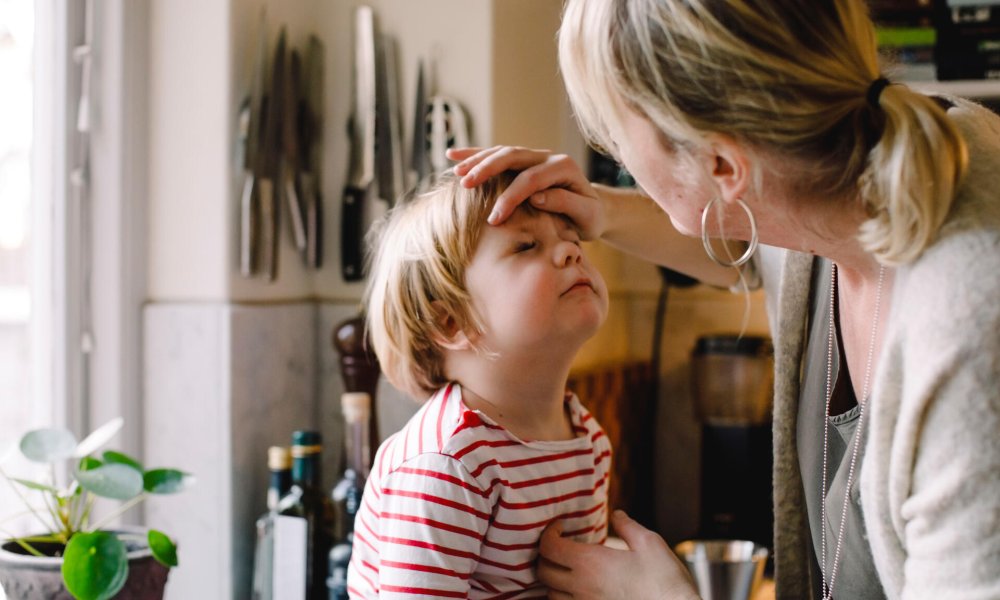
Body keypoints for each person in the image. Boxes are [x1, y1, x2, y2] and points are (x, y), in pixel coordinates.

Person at [447, 0, 1000, 598]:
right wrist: (601, 209)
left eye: (618, 134)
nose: (620, 159)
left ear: (721, 162)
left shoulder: (969, 322)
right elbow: (747, 237)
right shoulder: (835, 169)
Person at [346, 171, 614, 598]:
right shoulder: (448, 464)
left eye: (574, 241)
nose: (570, 252)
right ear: (451, 322)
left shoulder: (588, 442)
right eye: (527, 245)